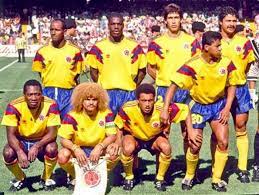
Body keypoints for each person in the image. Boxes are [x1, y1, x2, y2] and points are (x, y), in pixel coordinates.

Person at [160, 31, 237, 192]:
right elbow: (172, 86)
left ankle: (217, 178)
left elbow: (232, 85)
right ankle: (190, 175)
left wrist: (227, 107)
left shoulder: (226, 63)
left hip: (218, 105)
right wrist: (165, 109)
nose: (221, 49)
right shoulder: (192, 64)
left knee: (223, 141)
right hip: (198, 106)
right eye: (218, 46)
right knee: (194, 144)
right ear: (206, 47)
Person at [115, 84, 193, 191]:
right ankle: (129, 177)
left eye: (150, 100)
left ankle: (160, 178)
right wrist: (118, 142)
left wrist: (191, 131)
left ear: (154, 100)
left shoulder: (162, 108)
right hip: (135, 137)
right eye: (144, 100)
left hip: (154, 138)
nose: (147, 104)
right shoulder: (127, 108)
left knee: (166, 147)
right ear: (138, 100)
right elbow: (119, 125)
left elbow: (185, 109)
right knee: (128, 148)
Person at [147, 3, 201, 154]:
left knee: (188, 132)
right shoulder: (156, 44)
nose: (173, 21)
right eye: (170, 18)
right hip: (165, 91)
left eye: (176, 17)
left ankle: (190, 174)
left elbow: (198, 66)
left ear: (181, 19)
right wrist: (163, 80)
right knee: (163, 131)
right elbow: (150, 67)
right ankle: (161, 175)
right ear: (165, 21)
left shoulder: (191, 41)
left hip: (186, 91)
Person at [218, 7, 255, 183]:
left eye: (234, 21)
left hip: (240, 90)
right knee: (219, 132)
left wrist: (238, 78)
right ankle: (218, 169)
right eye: (228, 21)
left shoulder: (245, 41)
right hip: (219, 92)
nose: (232, 24)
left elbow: (246, 67)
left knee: (241, 126)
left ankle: (242, 168)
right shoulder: (215, 41)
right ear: (220, 22)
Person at [1, 79, 60, 191]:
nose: (34, 98)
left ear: (41, 94)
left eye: (37, 94)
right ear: (24, 95)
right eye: (30, 94)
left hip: (42, 140)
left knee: (52, 148)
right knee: (8, 153)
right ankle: (20, 178)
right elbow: (10, 135)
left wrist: (37, 145)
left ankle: (46, 177)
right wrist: (19, 151)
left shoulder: (51, 104)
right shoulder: (13, 106)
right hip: (22, 140)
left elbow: (53, 133)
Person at [57, 82, 119, 189]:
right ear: (81, 100)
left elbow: (112, 135)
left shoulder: (106, 113)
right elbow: (63, 140)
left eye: (94, 99)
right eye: (87, 99)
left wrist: (99, 147)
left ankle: (102, 174)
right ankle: (76, 175)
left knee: (114, 152)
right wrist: (75, 149)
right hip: (79, 151)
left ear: (99, 100)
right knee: (63, 155)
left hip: (99, 149)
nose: (91, 103)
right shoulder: (71, 116)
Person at [86, 12, 147, 115]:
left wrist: (133, 85)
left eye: (119, 24)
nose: (116, 27)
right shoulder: (98, 47)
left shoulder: (134, 46)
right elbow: (93, 71)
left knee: (127, 128)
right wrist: (103, 84)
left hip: (128, 93)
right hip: (106, 93)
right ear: (108, 25)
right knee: (108, 127)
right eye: (113, 24)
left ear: (123, 25)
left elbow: (142, 71)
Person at [32, 19, 84, 119]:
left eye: (57, 29)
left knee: (68, 129)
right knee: (48, 129)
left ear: (64, 32)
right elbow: (39, 71)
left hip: (68, 94)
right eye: (51, 29)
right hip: (48, 93)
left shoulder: (75, 51)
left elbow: (77, 72)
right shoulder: (42, 51)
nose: (53, 32)